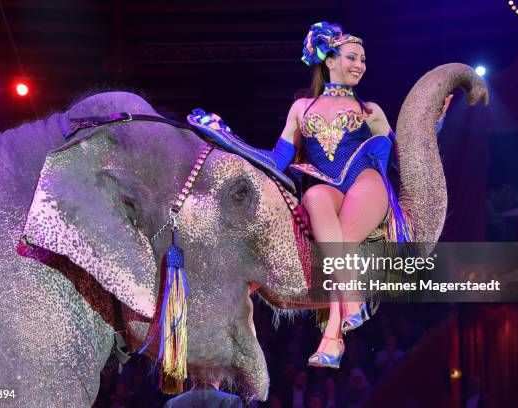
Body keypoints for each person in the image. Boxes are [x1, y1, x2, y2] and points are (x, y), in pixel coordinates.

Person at [188, 21, 449, 369]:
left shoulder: (369, 111)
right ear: (330, 61)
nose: (360, 65)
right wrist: (229, 139)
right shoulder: (302, 109)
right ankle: (341, 321)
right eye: (353, 57)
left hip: (366, 183)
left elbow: (405, 157)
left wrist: (432, 124)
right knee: (314, 199)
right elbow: (278, 161)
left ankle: (333, 333)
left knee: (339, 241)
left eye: (364, 60)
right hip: (326, 187)